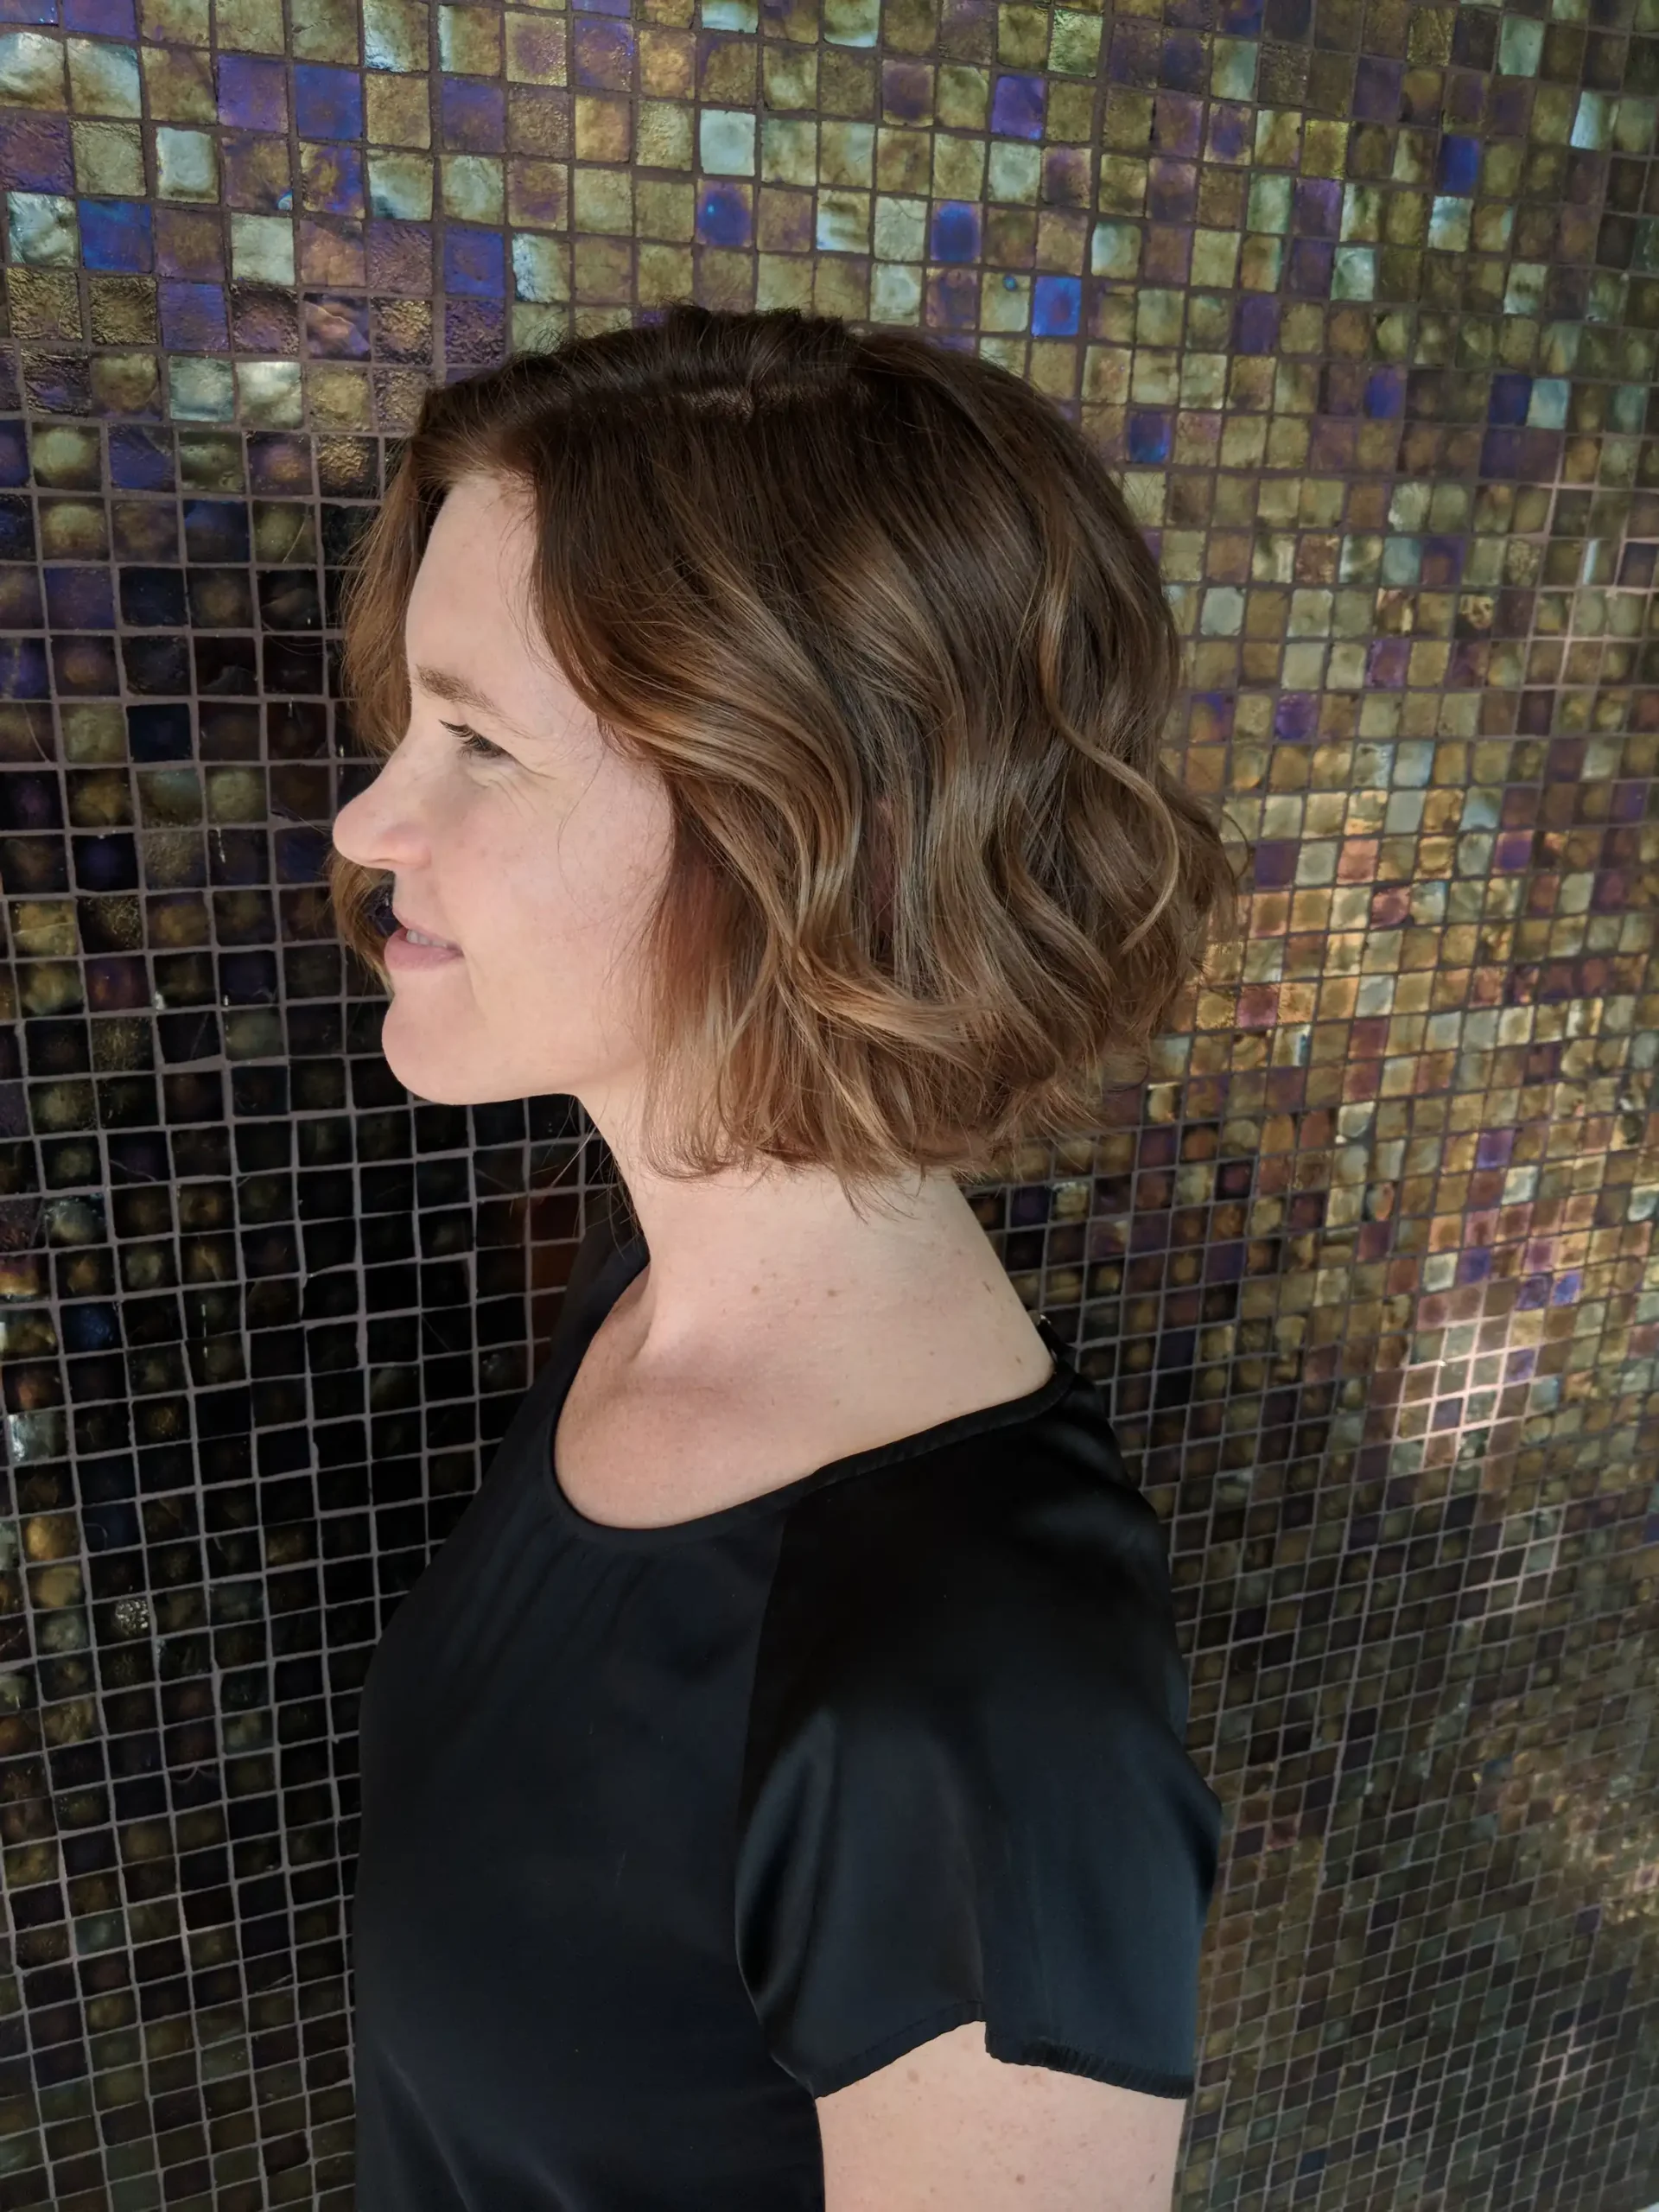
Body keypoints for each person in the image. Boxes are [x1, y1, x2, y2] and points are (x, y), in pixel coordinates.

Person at [327, 303, 1235, 2211]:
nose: (369, 819)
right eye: (412, 721)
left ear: (809, 820)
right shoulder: (653, 1295)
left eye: (479, 739)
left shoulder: (976, 1699)